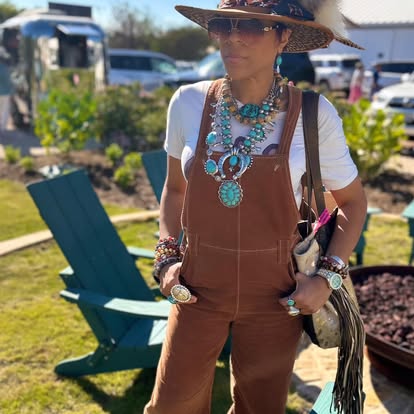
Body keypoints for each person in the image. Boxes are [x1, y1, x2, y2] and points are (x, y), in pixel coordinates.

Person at [145, 1, 367, 413]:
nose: (232, 36)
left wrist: (327, 278)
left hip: (277, 298)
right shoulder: (187, 102)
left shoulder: (315, 116)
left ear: (284, 36)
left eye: (252, 27)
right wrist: (166, 258)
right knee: (171, 405)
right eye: (225, 24)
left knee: (260, 407)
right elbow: (175, 190)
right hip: (195, 291)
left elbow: (353, 202)